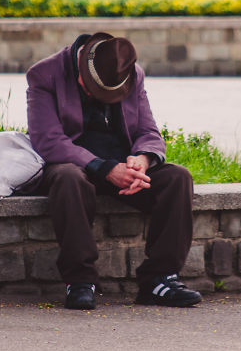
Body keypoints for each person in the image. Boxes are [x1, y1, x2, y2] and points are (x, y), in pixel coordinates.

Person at [26, 32, 201, 310]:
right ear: (81, 65)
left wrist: (142, 160)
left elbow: (148, 131)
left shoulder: (130, 74)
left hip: (123, 167)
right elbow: (48, 140)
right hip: (73, 167)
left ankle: (159, 279)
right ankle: (81, 280)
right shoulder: (44, 75)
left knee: (178, 178)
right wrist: (105, 168)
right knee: (68, 179)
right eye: (94, 89)